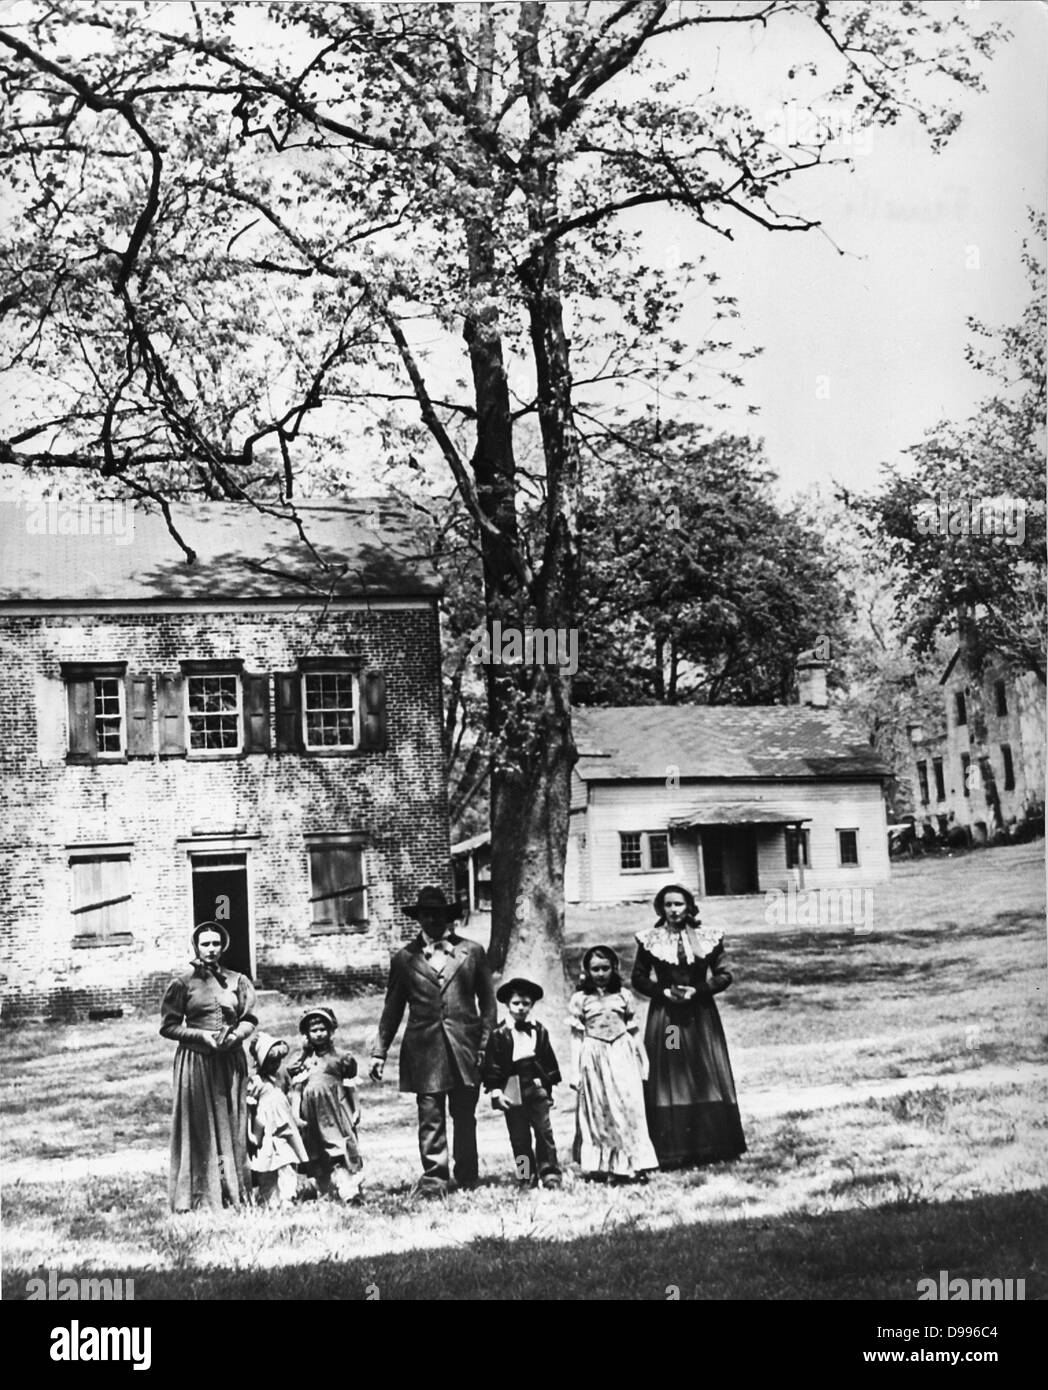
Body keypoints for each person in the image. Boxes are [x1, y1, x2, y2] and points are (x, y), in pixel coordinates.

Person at [370, 885, 496, 1198]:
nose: (433, 920)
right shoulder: (404, 958)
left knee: (465, 1114)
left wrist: (484, 1043)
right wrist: (379, 1051)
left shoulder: (472, 952)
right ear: (419, 919)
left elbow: (489, 1002)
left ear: (448, 917)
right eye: (426, 915)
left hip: (464, 1046)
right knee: (430, 1115)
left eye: (439, 915)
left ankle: (467, 1175)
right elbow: (392, 1007)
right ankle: (435, 1178)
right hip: (424, 1050)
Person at [630, 883, 746, 1169]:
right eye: (668, 905)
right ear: (661, 908)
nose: (673, 910)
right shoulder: (651, 940)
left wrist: (701, 990)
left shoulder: (706, 938)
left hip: (700, 1018)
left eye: (678, 904)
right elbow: (639, 977)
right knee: (673, 1067)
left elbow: (724, 974)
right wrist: (663, 992)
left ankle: (714, 1143)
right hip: (669, 1020)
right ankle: (676, 1146)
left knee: (703, 1068)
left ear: (689, 907)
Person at [159, 920, 258, 1212]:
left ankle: (233, 1192)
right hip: (196, 1063)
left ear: (222, 946)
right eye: (206, 944)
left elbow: (249, 1019)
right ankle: (199, 1195)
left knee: (232, 1122)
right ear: (197, 947)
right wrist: (202, 1036)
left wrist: (235, 1037)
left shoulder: (238, 980)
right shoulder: (182, 983)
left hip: (230, 1062)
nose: (211, 949)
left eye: (216, 943)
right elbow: (169, 1027)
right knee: (199, 1126)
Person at [569, 945, 658, 1182]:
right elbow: (576, 1037)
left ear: (614, 969)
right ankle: (603, 1165)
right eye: (595, 969)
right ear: (587, 971)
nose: (600, 973)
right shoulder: (580, 999)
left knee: (628, 1107)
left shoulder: (624, 996)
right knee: (600, 1109)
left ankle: (634, 1165)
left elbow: (634, 1030)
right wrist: (575, 1072)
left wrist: (643, 1059)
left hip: (621, 1053)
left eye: (605, 968)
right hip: (594, 1056)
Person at [482, 977, 563, 1190]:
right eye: (516, 1003)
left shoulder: (539, 1030)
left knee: (544, 1132)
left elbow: (548, 1060)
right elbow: (493, 1066)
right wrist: (496, 1090)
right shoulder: (499, 1034)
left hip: (535, 1084)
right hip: (512, 1085)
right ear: (507, 1005)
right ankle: (526, 1175)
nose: (520, 1008)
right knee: (519, 1136)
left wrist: (550, 1087)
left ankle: (550, 1173)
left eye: (525, 1003)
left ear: (532, 1005)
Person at [288, 1007, 364, 1204]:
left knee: (339, 1146)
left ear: (331, 1031)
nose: (319, 1034)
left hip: (335, 1110)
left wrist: (356, 1108)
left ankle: (349, 1189)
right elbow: (296, 1089)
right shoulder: (302, 1061)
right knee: (316, 1149)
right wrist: (296, 1114)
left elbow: (350, 1086)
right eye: (314, 1030)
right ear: (306, 1034)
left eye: (323, 1029)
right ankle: (326, 1190)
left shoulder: (341, 1058)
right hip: (312, 1112)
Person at [247, 1031, 308, 1207]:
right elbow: (250, 1103)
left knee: (287, 1160)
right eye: (270, 1061)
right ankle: (270, 1198)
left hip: (284, 1126)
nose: (275, 1065)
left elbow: (292, 1083)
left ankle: (288, 1196)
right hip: (265, 1126)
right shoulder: (256, 1081)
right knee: (267, 1162)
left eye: (277, 1061)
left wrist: (304, 1050)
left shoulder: (281, 1077)